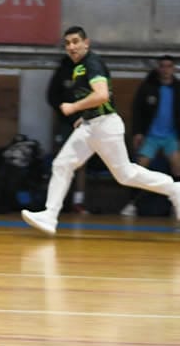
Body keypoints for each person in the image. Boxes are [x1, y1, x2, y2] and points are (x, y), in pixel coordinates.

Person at [22, 26, 180, 235]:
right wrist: (84, 115)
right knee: (62, 164)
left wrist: (74, 107)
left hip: (105, 127)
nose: (71, 46)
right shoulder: (78, 67)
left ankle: (174, 188)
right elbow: (96, 99)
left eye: (76, 41)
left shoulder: (92, 63)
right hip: (90, 126)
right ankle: (50, 216)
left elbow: (102, 95)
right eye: (67, 43)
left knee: (125, 175)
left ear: (86, 43)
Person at [119, 55, 180, 217]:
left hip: (171, 136)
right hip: (151, 136)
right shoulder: (148, 87)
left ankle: (177, 204)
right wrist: (138, 132)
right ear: (158, 68)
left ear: (173, 69)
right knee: (139, 169)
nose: (166, 69)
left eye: (169, 66)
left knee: (177, 167)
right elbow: (137, 110)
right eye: (163, 66)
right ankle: (132, 204)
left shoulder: (178, 88)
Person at [47, 53, 89, 214]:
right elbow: (51, 96)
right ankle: (56, 202)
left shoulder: (88, 71)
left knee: (81, 163)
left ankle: (78, 201)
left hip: (83, 124)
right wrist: (64, 111)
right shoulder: (62, 71)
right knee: (60, 162)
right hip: (64, 124)